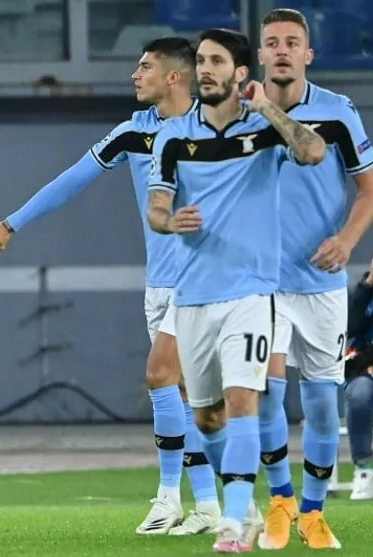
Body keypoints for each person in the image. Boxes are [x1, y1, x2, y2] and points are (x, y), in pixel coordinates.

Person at [0, 37, 221, 535]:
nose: (135, 74)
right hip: (159, 284)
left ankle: (169, 498)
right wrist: (11, 223)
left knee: (160, 377)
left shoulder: (215, 127)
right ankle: (208, 507)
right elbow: (73, 178)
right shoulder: (134, 131)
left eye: (145, 66)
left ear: (174, 76)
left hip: (205, 280)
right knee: (183, 393)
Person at [147, 28, 326, 553]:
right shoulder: (174, 137)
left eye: (217, 61)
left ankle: (232, 522)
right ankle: (244, 508)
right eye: (201, 60)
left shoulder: (264, 129)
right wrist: (169, 221)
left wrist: (267, 107)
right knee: (207, 417)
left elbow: (313, 151)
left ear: (240, 73)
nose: (205, 69)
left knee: (243, 397)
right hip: (193, 295)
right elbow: (156, 207)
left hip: (251, 292)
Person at [253, 8, 373, 550]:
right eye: (272, 41)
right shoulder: (241, 114)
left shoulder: (338, 113)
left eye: (291, 42)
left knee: (323, 403)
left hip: (321, 282)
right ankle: (279, 502)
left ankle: (313, 512)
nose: (281, 49)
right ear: (260, 54)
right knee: (267, 394)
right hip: (261, 282)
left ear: (308, 54)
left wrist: (347, 241)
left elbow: (369, 189)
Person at [343, 260, 373, 500]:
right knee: (360, 393)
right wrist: (368, 285)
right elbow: (350, 328)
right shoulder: (362, 294)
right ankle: (364, 471)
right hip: (365, 369)